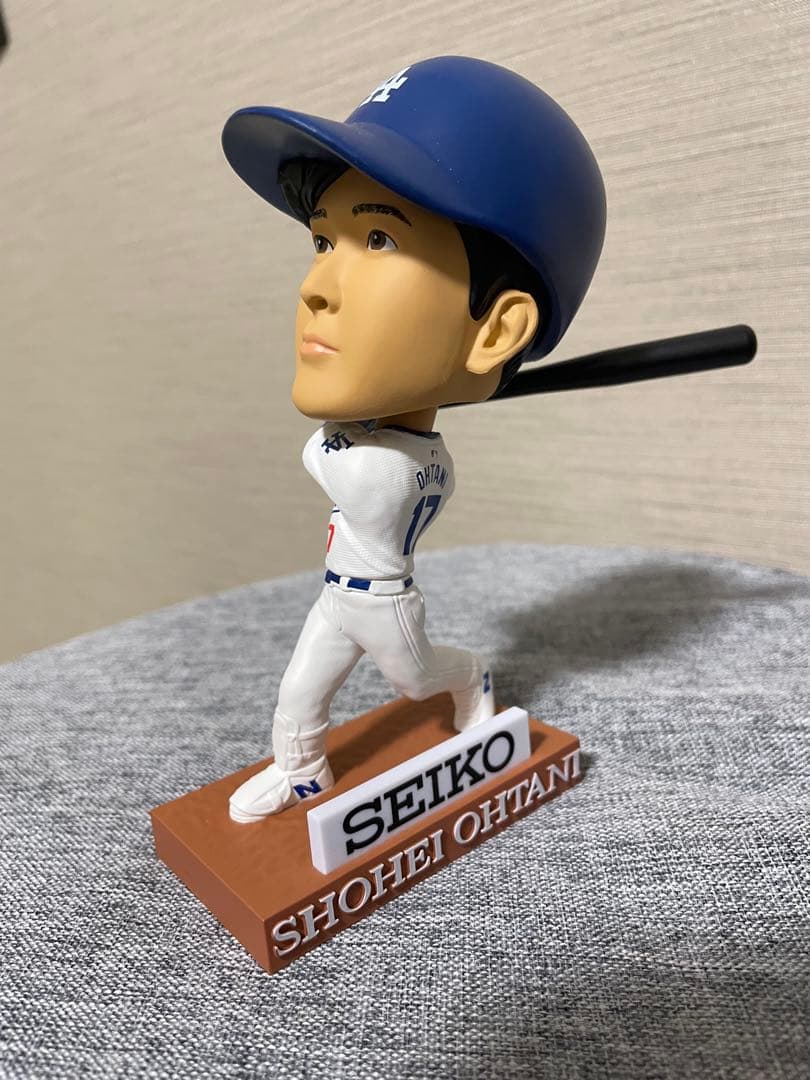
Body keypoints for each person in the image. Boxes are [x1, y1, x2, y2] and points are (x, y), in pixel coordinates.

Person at [220, 56, 606, 821]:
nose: (315, 287)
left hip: (384, 604)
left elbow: (318, 452)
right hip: (342, 595)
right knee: (300, 691)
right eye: (323, 240)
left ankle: (473, 679)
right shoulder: (420, 460)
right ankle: (302, 774)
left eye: (378, 238)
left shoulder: (381, 473)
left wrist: (345, 432)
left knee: (419, 680)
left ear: (495, 330)